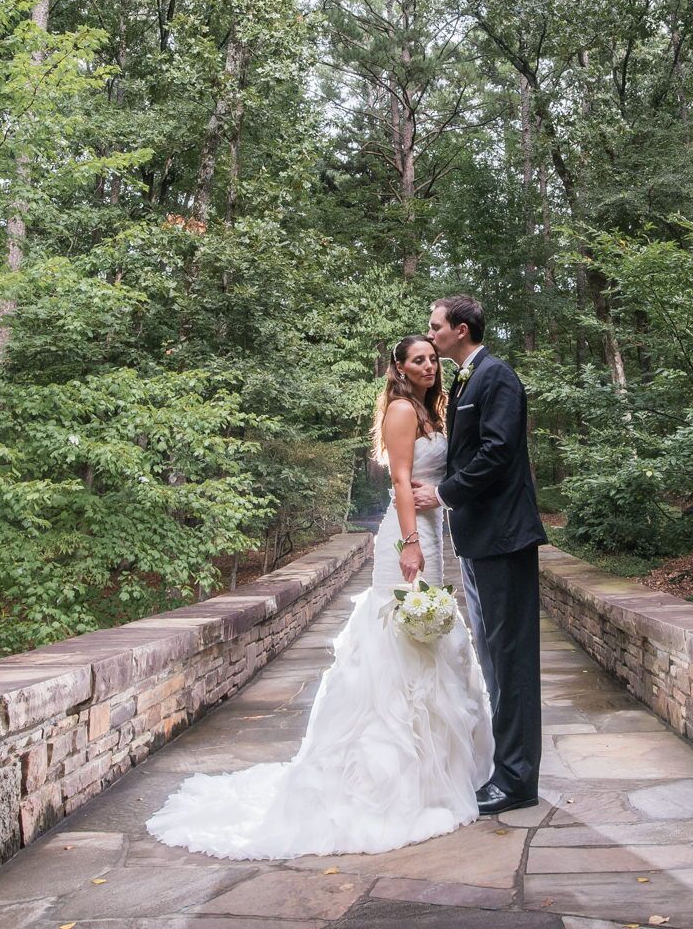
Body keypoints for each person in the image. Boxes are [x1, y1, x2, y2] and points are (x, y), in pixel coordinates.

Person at [144, 336, 493, 858]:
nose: (427, 365)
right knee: (395, 644)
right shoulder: (401, 410)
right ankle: (383, 784)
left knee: (431, 640)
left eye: (431, 358)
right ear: (399, 367)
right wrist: (412, 543)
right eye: (416, 359)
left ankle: (435, 774)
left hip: (434, 531)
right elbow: (401, 480)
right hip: (407, 539)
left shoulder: (431, 412)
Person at [416, 293, 547, 817]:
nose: (430, 335)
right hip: (479, 540)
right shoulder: (470, 378)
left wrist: (446, 494)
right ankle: (505, 768)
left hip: (504, 539)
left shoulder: (497, 377)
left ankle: (517, 782)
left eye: (435, 327)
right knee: (494, 656)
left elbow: (497, 452)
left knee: (512, 660)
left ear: (462, 329)